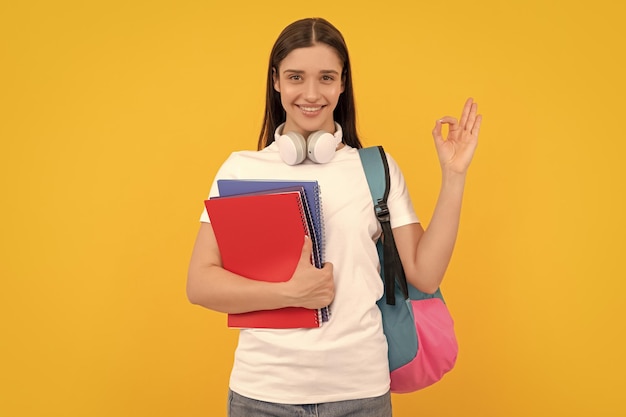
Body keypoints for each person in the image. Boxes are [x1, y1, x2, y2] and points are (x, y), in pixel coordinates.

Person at [187, 17, 482, 417]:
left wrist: (454, 177)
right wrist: (290, 294)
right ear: (276, 81)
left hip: (360, 392)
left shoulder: (375, 168)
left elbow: (425, 275)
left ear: (343, 84)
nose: (311, 93)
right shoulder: (240, 169)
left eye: (326, 77)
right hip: (263, 393)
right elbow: (200, 283)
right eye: (295, 77)